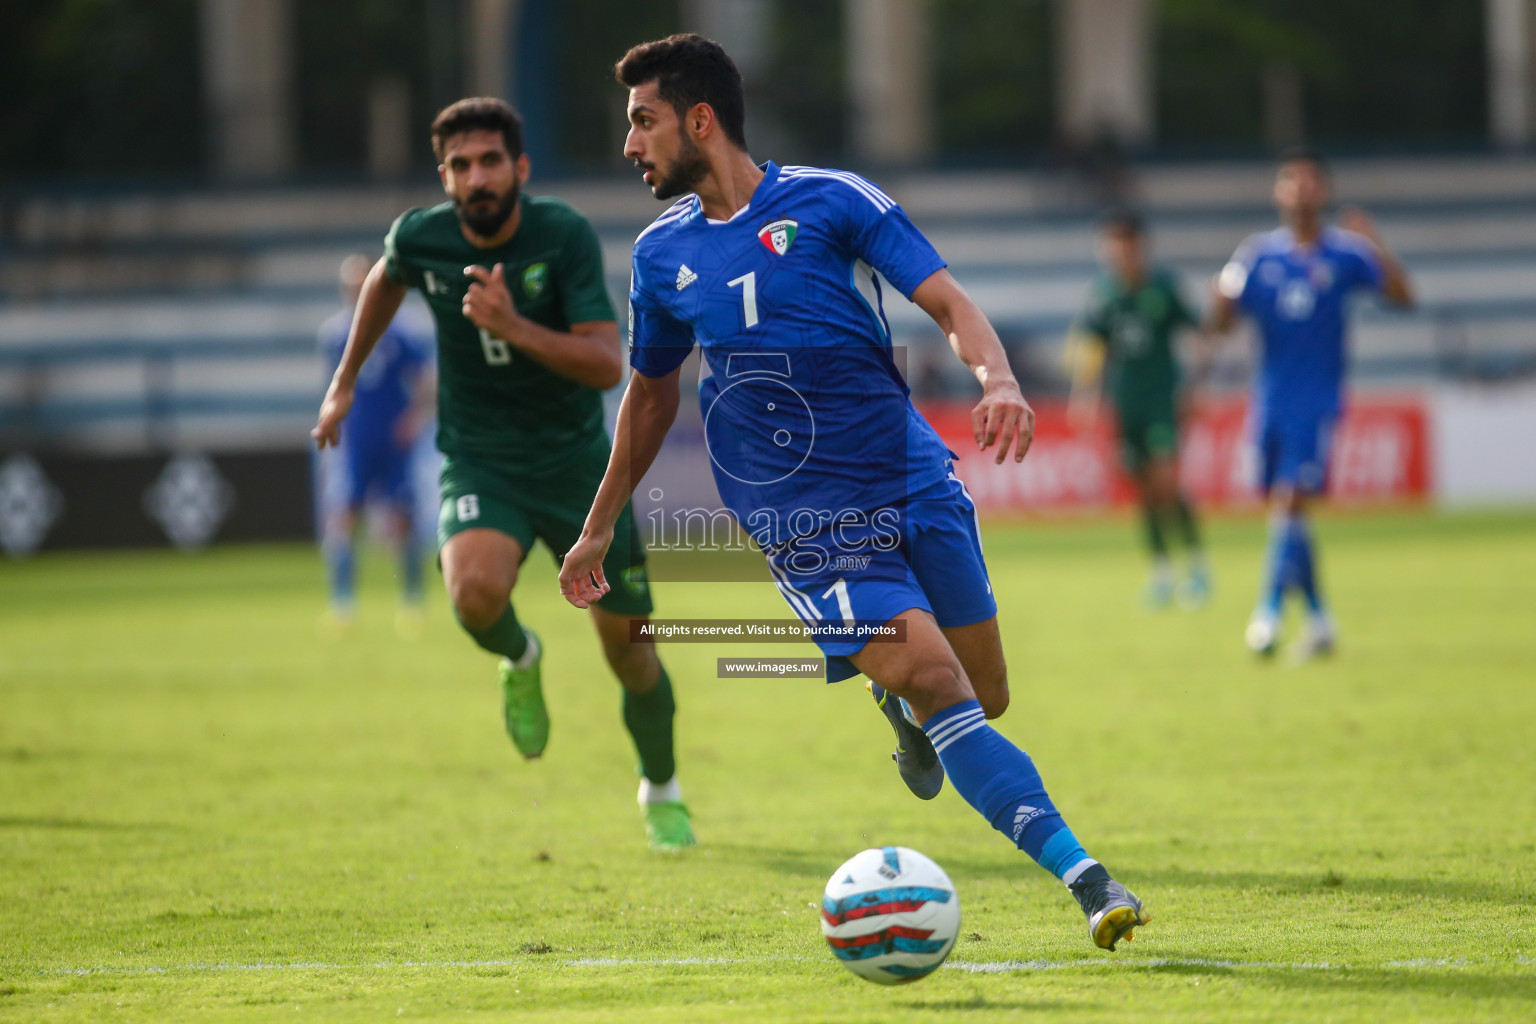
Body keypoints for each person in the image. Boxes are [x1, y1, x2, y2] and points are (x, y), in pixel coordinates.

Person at [558, 34, 1149, 950]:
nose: (630, 146)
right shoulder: (657, 256)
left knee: (983, 695)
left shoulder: (833, 201)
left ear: (700, 120)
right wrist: (599, 528)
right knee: (938, 678)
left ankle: (902, 707)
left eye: (643, 122)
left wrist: (996, 379)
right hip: (799, 515)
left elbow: (947, 303)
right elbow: (648, 394)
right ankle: (1089, 879)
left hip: (908, 472)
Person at [313, 98, 694, 851]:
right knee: (473, 592)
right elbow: (390, 275)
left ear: (519, 168)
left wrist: (511, 325)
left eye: (490, 161)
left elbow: (604, 363)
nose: (476, 177)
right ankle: (522, 658)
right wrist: (345, 380)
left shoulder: (562, 235)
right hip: (481, 456)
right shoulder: (423, 236)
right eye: (460, 166)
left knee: (632, 655)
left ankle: (662, 786)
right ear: (444, 177)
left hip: (580, 467)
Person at [1205, 146, 1414, 658]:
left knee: (1290, 503)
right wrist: (1219, 302)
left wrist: (1377, 245)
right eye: (1291, 181)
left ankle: (1269, 614)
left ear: (1324, 191)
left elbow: (1403, 298)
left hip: (1319, 401)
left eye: (1309, 181)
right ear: (1278, 192)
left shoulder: (1347, 253)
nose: (1300, 189)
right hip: (1270, 401)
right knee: (1287, 514)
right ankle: (1320, 620)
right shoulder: (1257, 254)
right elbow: (1223, 323)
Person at [1068, 209, 1210, 608]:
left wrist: (1196, 388)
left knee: (1165, 479)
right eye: (1111, 245)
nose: (1118, 253)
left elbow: (1198, 336)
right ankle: (1162, 572)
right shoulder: (1105, 294)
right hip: (1126, 403)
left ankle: (1197, 566)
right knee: (1143, 487)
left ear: (1139, 246)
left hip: (1162, 399)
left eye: (1124, 244)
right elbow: (1096, 348)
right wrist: (1086, 396)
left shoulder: (1164, 288)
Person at [316, 253, 434, 633]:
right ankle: (343, 603)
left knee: (403, 521)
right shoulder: (334, 335)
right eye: (349, 285)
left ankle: (412, 601)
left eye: (360, 284)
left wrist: (414, 420)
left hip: (393, 442)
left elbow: (425, 385)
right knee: (344, 518)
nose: (354, 292)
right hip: (356, 443)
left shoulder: (403, 332)